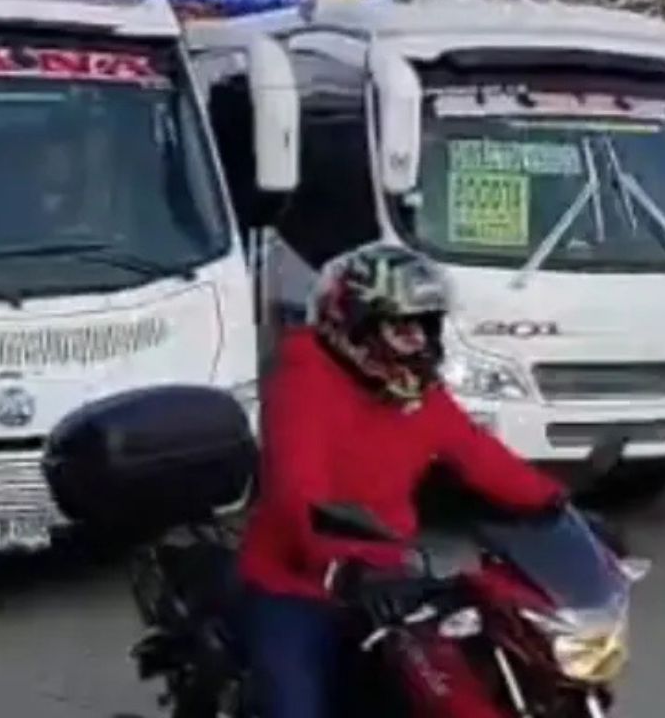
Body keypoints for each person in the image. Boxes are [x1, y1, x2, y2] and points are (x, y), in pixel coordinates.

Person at [237, 242, 567, 718]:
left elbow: (478, 454)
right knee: (297, 709)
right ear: (358, 324)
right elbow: (297, 493)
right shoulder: (303, 382)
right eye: (401, 327)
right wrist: (337, 561)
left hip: (391, 579)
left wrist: (556, 504)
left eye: (425, 326)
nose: (418, 342)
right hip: (298, 585)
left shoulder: (416, 391)